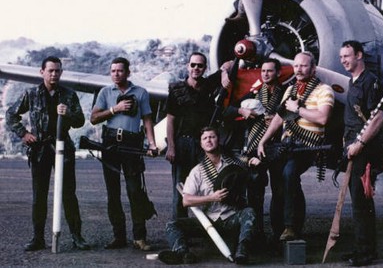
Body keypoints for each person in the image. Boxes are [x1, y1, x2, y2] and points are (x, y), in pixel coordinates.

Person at [5, 56, 90, 251]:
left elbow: (80, 121)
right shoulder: (31, 94)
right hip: (40, 149)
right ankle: (38, 238)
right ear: (42, 72)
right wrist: (24, 133)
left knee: (69, 194)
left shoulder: (68, 95)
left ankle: (77, 236)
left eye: (57, 71)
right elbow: (11, 114)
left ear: (61, 72)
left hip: (63, 148)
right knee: (39, 195)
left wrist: (68, 113)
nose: (54, 74)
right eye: (50, 70)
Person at [257, 52, 334, 242]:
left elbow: (323, 118)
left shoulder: (324, 90)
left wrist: (297, 109)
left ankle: (291, 227)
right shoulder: (290, 90)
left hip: (307, 146)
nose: (299, 69)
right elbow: (279, 117)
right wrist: (263, 140)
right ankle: (278, 229)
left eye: (304, 66)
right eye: (296, 66)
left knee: (289, 174)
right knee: (277, 179)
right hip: (286, 145)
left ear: (313, 68)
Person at [90, 57, 158, 251]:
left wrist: (152, 143)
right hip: (110, 144)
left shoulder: (141, 93)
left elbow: (147, 120)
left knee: (135, 191)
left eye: (120, 71)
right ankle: (118, 236)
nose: (116, 74)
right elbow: (94, 118)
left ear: (128, 72)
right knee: (113, 193)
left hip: (131, 143)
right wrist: (115, 109)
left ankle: (139, 237)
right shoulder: (105, 92)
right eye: (112, 71)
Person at [162, 126, 256, 265]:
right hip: (207, 221)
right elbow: (186, 201)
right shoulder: (198, 171)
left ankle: (242, 251)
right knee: (172, 225)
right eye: (205, 138)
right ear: (201, 144)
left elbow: (252, 173)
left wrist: (254, 163)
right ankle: (182, 252)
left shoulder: (233, 163)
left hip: (230, 218)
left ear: (219, 140)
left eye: (212, 137)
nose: (209, 140)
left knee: (249, 212)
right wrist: (212, 198)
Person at [224, 58, 285, 239]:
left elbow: (293, 117)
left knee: (278, 191)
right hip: (254, 149)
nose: (265, 74)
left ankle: (278, 233)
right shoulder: (255, 93)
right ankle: (256, 232)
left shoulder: (285, 94)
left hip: (276, 147)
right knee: (255, 192)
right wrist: (241, 111)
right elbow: (227, 111)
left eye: (270, 71)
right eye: (263, 71)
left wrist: (276, 119)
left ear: (278, 73)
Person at [165, 52, 231, 220]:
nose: (196, 68)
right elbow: (170, 120)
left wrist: (223, 74)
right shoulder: (176, 89)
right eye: (193, 65)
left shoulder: (208, 84)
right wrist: (171, 147)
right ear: (188, 66)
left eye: (200, 65)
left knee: (208, 185)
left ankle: (209, 226)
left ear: (205, 68)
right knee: (180, 188)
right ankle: (180, 228)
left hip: (204, 145)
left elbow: (230, 63)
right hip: (182, 144)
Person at [339, 40, 383, 267]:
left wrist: (359, 143)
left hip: (363, 150)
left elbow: (377, 118)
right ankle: (363, 248)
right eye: (341, 57)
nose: (343, 60)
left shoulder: (371, 82)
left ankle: (366, 252)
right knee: (358, 201)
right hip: (352, 148)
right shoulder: (353, 81)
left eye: (347, 56)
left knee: (362, 201)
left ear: (359, 55)